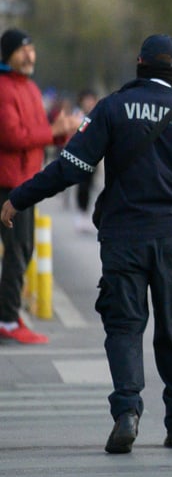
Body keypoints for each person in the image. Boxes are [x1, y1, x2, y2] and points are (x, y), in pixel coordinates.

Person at [1, 34, 172, 454]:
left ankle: (127, 412)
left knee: (124, 327)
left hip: (123, 240)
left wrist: (18, 198)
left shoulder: (112, 108)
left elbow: (71, 169)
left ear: (139, 64)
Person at [0, 28, 81, 345]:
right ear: (8, 54)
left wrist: (62, 131)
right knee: (18, 252)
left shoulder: (30, 88)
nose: (30, 55)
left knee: (25, 249)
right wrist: (54, 130)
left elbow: (38, 132)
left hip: (27, 184)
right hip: (8, 185)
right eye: (23, 50)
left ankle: (7, 312)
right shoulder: (4, 89)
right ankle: (7, 320)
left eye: (32, 49)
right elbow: (13, 136)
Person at [72, 88, 99, 233]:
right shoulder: (79, 115)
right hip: (80, 156)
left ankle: (85, 213)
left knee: (89, 185)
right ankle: (80, 213)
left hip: (93, 157)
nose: (89, 103)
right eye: (87, 100)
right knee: (82, 186)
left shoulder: (98, 115)